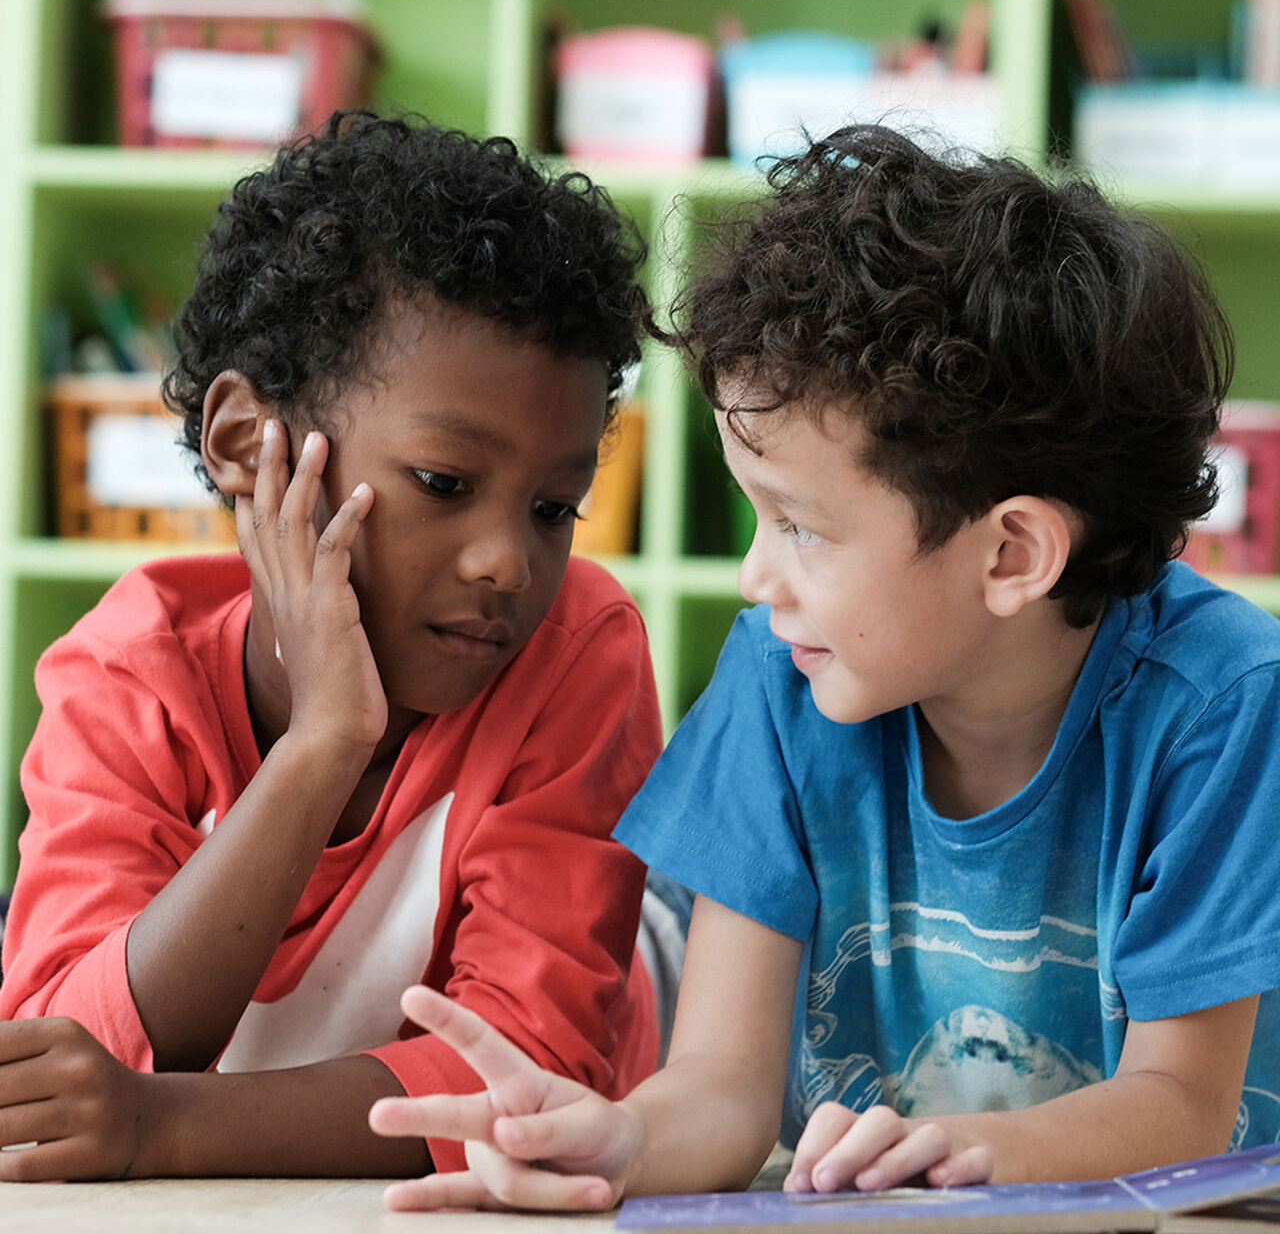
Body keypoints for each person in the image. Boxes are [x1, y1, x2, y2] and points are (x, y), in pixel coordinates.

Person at [364, 123, 1280, 1211]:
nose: (756, 577)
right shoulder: (778, 676)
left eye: (799, 526)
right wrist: (618, 1139)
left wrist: (954, 1148)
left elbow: (1177, 1101)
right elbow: (722, 1084)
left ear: (1009, 552)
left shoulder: (1225, 703)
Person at [0, 110, 666, 1180]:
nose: (506, 560)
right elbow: (57, 1076)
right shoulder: (128, 670)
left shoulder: (578, 648)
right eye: (444, 484)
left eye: (555, 506)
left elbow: (532, 1078)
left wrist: (160, 1124)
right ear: (246, 444)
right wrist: (323, 742)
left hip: (630, 990)